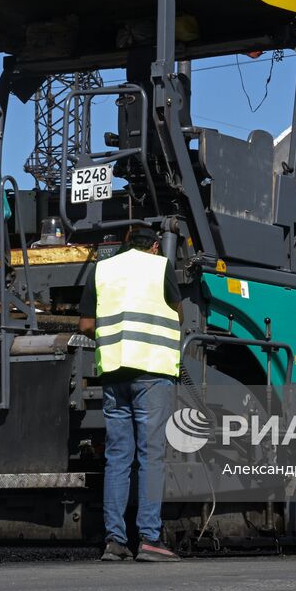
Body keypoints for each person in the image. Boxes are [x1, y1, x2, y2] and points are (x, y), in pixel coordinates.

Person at [78, 228, 182, 562]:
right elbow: (177, 314)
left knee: (118, 458)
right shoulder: (160, 266)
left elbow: (85, 325)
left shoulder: (102, 269)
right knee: (150, 456)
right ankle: (150, 539)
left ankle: (114, 541)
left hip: (113, 373)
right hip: (152, 372)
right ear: (154, 246)